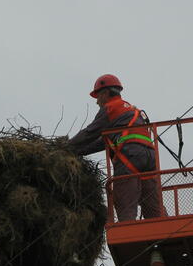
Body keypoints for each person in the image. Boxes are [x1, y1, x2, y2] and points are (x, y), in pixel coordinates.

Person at [68, 74, 162, 222]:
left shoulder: (110, 108)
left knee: (125, 199)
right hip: (150, 157)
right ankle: (165, 232)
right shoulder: (130, 109)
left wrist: (66, 146)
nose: (97, 101)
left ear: (105, 93)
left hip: (130, 156)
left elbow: (90, 133)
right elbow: (102, 142)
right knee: (152, 203)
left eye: (98, 96)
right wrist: (77, 151)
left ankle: (129, 235)